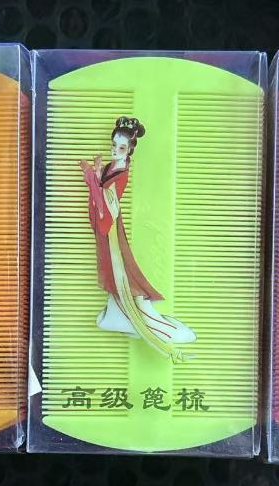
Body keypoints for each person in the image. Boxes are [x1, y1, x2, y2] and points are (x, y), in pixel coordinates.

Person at [80, 116, 195, 361]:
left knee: (118, 268)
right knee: (112, 270)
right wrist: (97, 173)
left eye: (121, 148)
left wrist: (91, 179)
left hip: (110, 226)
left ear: (130, 149)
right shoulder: (112, 167)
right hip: (105, 223)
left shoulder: (121, 173)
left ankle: (144, 318)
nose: (115, 150)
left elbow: (107, 201)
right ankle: (118, 312)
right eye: (114, 145)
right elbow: (101, 190)